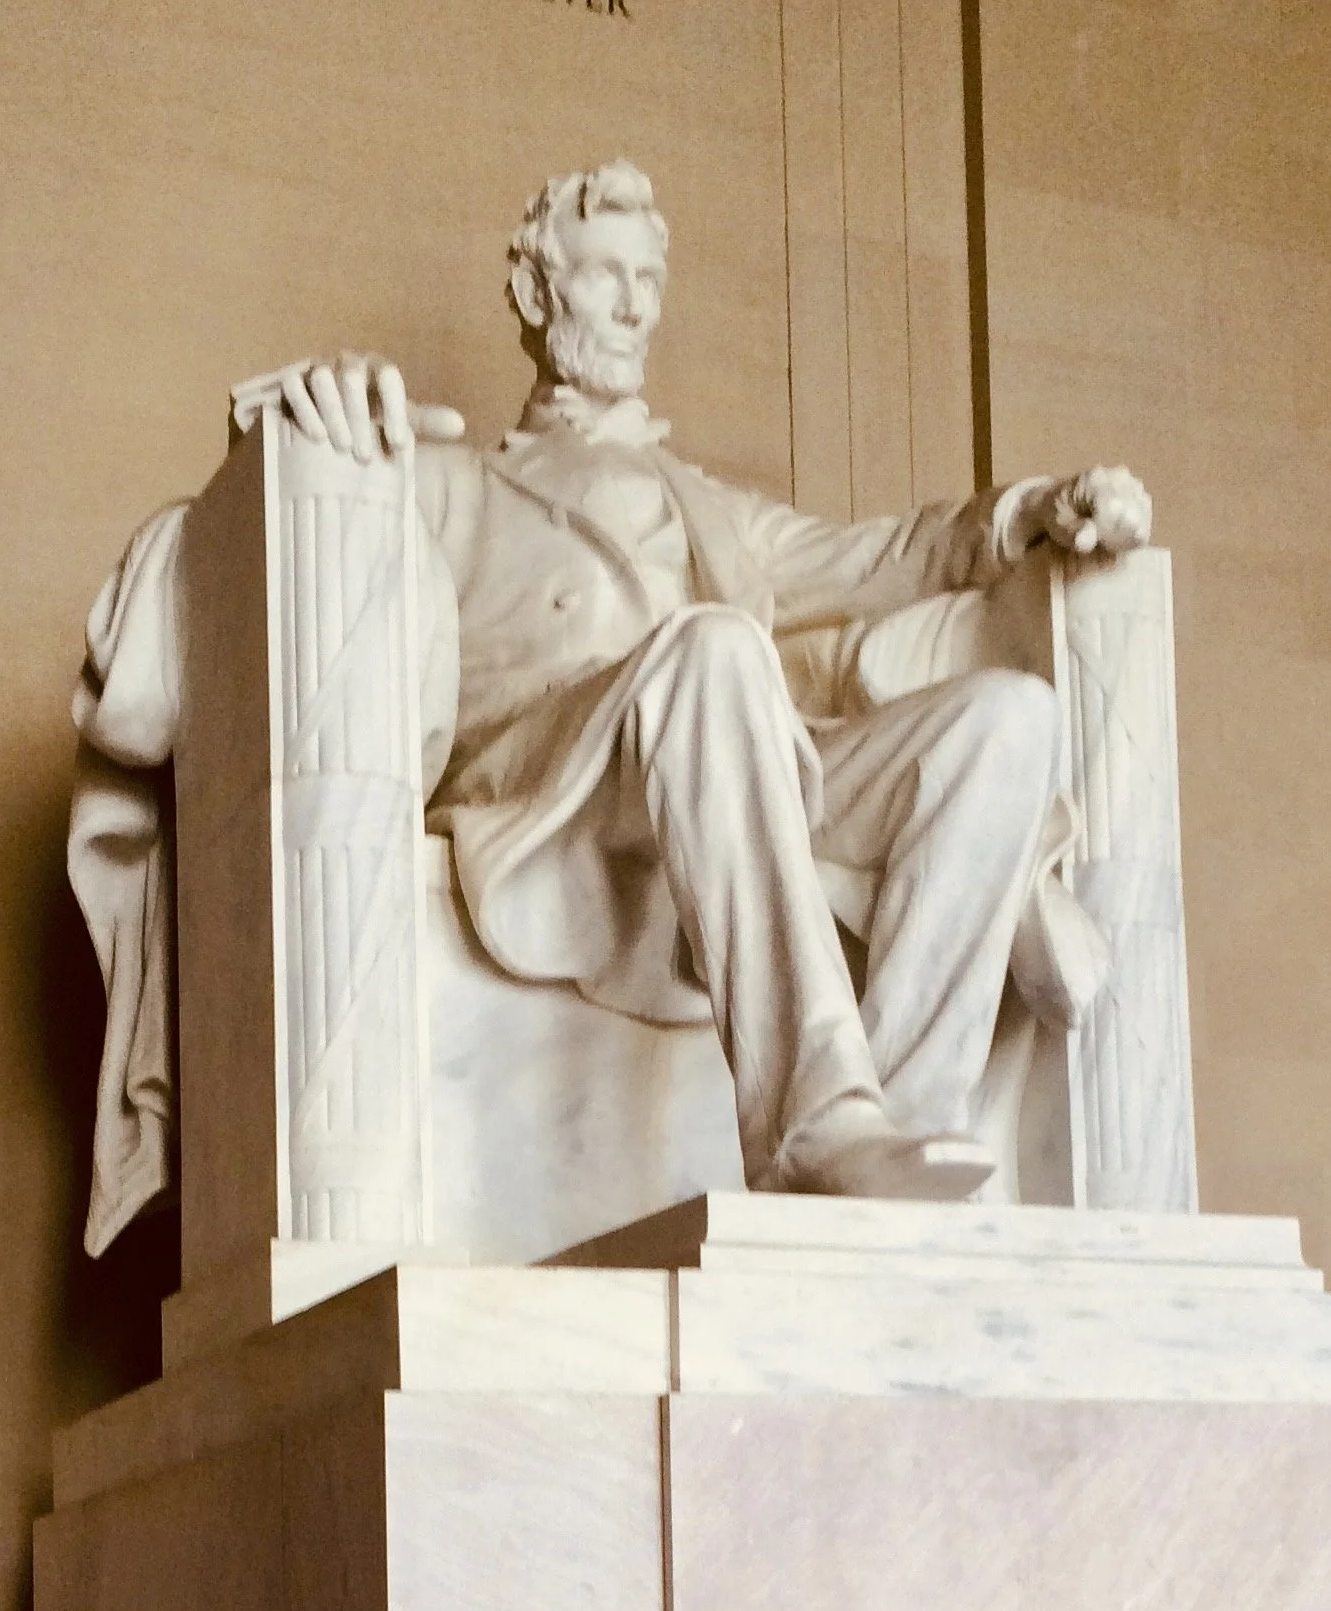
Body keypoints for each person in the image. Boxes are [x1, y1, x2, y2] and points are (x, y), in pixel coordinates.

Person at [231, 162, 1152, 1202]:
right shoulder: (449, 478)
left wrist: (1029, 511)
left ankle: (898, 1122)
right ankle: (811, 1120)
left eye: (648, 279)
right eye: (603, 277)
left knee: (1005, 720)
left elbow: (880, 553)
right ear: (538, 295)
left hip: (725, 757)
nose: (633, 306)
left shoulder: (708, 506)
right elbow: (279, 526)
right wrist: (322, 409)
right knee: (714, 647)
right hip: (556, 775)